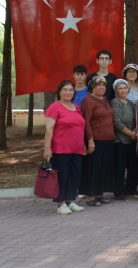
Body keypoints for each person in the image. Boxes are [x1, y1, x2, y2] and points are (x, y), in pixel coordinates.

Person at [43, 80, 86, 215]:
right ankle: (60, 203)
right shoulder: (54, 107)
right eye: (65, 90)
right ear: (60, 92)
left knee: (74, 175)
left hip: (77, 149)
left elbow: (80, 127)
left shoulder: (76, 107)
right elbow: (49, 129)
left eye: (71, 90)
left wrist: (83, 143)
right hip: (61, 149)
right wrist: (47, 148)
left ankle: (70, 200)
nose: (68, 92)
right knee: (62, 176)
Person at [80, 76, 115, 206]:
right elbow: (86, 121)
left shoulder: (105, 99)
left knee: (104, 168)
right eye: (98, 85)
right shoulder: (88, 100)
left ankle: (100, 194)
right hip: (96, 139)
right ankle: (91, 196)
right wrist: (90, 140)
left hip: (108, 140)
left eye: (103, 85)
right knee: (93, 168)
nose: (101, 87)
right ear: (92, 87)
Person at [110, 79, 138, 200]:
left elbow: (137, 118)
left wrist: (135, 132)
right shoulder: (114, 102)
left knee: (133, 166)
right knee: (120, 167)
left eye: (124, 88)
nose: (122, 90)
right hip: (120, 140)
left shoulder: (131, 103)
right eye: (120, 88)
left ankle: (130, 188)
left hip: (132, 140)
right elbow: (116, 122)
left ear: (128, 90)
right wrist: (130, 133)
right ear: (116, 91)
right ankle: (119, 191)